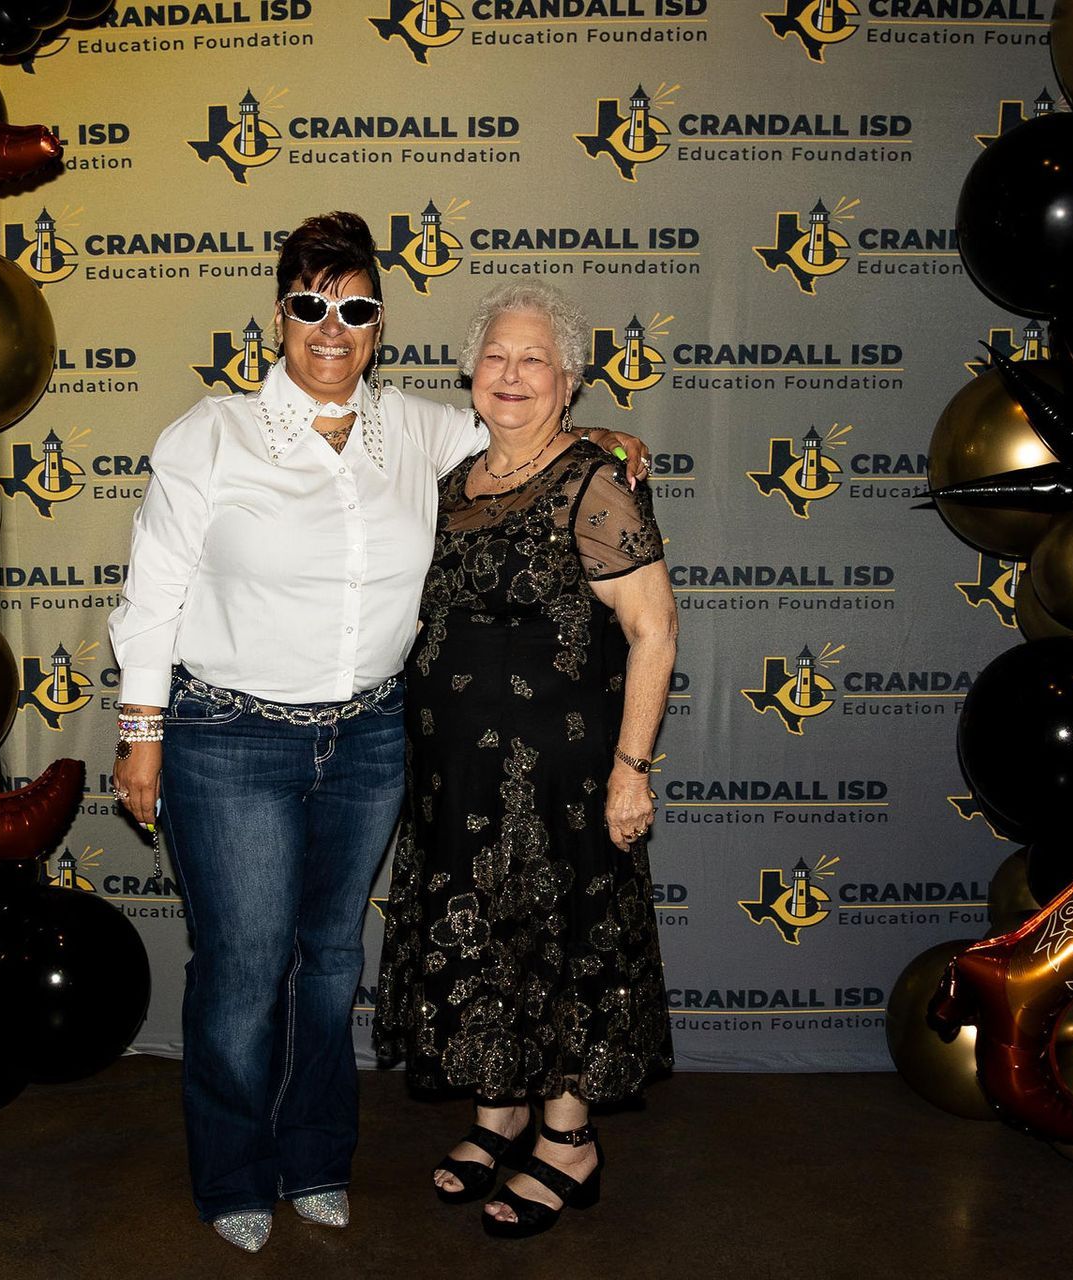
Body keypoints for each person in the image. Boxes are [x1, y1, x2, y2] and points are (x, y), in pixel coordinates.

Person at [106, 214, 649, 1252]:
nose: (331, 325)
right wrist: (142, 731)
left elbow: (521, 441)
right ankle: (232, 1170)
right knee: (244, 964)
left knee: (331, 963)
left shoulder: (417, 428)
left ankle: (314, 1157)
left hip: (369, 740)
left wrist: (607, 443)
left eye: (354, 306)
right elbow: (152, 595)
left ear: (379, 322)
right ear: (279, 315)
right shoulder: (208, 434)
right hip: (230, 737)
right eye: (310, 302)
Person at [374, 282, 677, 1239]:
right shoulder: (451, 482)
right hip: (457, 779)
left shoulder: (595, 482)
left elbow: (655, 629)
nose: (512, 375)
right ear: (471, 374)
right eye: (497, 358)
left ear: (570, 381)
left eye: (534, 359)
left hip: (562, 778)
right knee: (485, 943)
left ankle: (567, 1141)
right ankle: (500, 1112)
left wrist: (633, 768)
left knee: (561, 946)